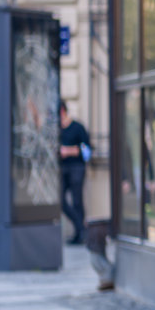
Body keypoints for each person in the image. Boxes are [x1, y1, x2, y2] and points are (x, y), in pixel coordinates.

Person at [58, 100, 90, 245]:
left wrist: (69, 151)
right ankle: (80, 227)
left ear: (62, 111)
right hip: (62, 168)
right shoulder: (56, 129)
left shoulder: (78, 128)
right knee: (60, 200)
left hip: (77, 167)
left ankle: (80, 234)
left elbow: (87, 151)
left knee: (77, 200)